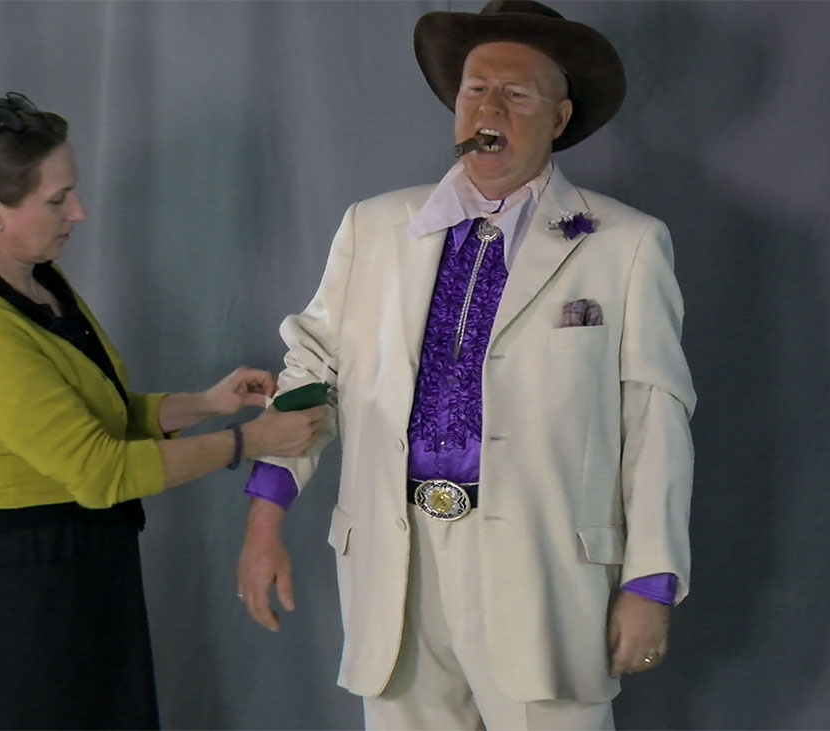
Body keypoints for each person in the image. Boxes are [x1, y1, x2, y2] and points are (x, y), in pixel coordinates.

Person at [235, 2, 696, 728]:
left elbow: (656, 422)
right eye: (476, 90)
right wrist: (266, 518)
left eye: (516, 95)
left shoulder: (625, 244)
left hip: (544, 570)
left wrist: (651, 582)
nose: (490, 109)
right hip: (396, 563)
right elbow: (311, 375)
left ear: (560, 117)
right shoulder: (373, 227)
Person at [0, 93, 323, 730]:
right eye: (57, 199)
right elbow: (100, 471)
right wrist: (249, 441)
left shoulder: (37, 282)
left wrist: (205, 405)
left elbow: (93, 414)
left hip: (82, 576)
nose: (78, 211)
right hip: (22, 605)